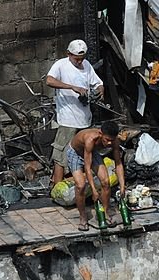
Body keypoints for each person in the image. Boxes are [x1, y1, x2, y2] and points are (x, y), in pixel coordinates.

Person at [46, 40, 103, 186]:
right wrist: (72, 87)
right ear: (68, 54)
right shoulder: (61, 65)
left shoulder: (87, 65)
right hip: (67, 120)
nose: (79, 62)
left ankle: (83, 185)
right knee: (61, 157)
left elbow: (99, 84)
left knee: (86, 154)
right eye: (76, 59)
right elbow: (49, 80)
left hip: (85, 120)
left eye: (82, 59)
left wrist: (98, 92)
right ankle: (57, 188)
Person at [67, 122, 126, 230]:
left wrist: (122, 186)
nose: (109, 143)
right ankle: (83, 217)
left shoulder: (115, 142)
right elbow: (87, 168)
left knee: (106, 182)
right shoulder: (90, 139)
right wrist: (94, 190)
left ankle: (104, 213)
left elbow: (118, 163)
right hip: (75, 153)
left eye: (111, 140)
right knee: (80, 185)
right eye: (106, 139)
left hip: (92, 152)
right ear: (100, 134)